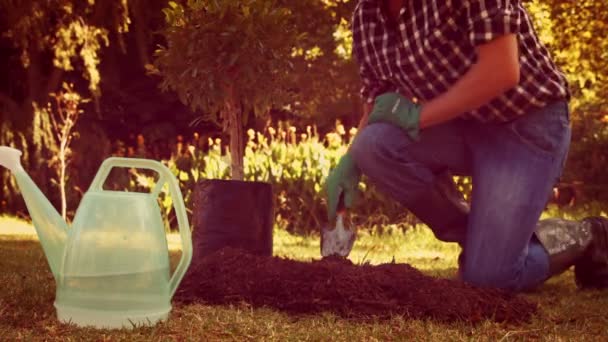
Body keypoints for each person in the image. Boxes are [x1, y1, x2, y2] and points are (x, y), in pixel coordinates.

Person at [325, 0, 608, 291]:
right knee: (373, 145)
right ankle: (483, 244)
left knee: (489, 281)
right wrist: (350, 163)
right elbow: (376, 101)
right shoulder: (366, 16)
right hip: (460, 127)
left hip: (526, 125)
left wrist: (417, 116)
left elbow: (502, 70)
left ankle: (586, 234)